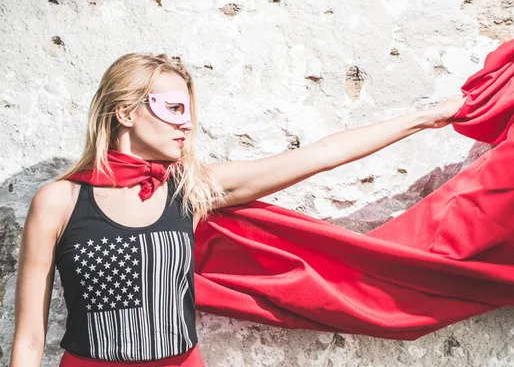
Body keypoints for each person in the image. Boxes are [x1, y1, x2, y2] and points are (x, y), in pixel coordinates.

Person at [9, 52, 466, 367]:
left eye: (188, 110)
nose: (186, 122)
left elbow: (317, 156)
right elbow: (30, 338)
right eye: (172, 108)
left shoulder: (191, 188)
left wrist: (427, 118)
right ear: (125, 113)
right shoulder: (58, 201)